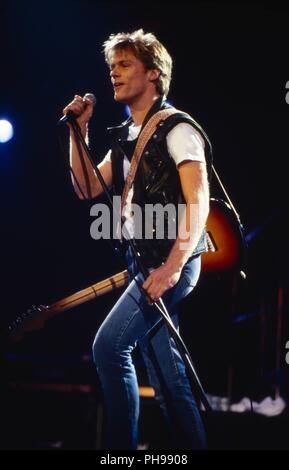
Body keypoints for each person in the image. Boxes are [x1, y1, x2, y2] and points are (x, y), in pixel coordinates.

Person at [63, 29, 211, 450]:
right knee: (169, 379)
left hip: (173, 261)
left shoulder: (178, 129)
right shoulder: (126, 135)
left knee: (109, 348)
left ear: (153, 74)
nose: (114, 73)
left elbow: (198, 205)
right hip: (144, 264)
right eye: (112, 66)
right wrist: (79, 133)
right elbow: (86, 188)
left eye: (125, 65)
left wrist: (172, 267)